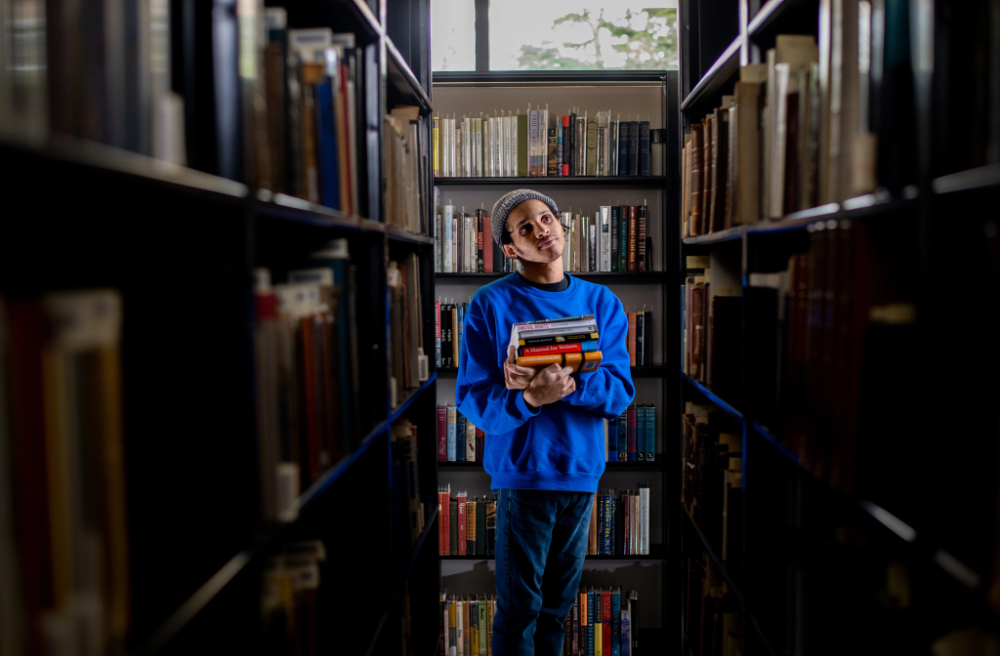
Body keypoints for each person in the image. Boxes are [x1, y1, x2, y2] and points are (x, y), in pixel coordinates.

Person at [455, 189, 635, 655]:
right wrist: (532, 397)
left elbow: (619, 394)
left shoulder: (602, 301)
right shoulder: (490, 303)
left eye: (545, 218)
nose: (542, 230)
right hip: (523, 474)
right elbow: (473, 398)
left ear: (561, 223)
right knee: (519, 610)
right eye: (525, 228)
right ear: (511, 248)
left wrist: (566, 383)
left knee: (558, 607)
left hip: (580, 471)